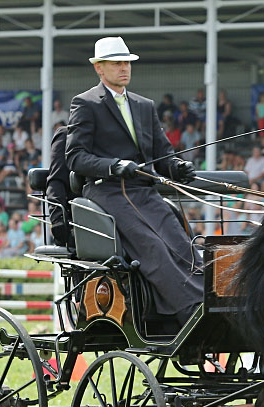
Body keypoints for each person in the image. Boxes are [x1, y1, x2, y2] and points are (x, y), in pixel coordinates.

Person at [66, 36, 200, 323]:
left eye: (126, 62)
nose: (124, 68)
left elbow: (163, 155)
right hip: (108, 193)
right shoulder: (86, 103)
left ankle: (204, 304)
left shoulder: (144, 105)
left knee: (180, 244)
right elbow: (75, 158)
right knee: (152, 247)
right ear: (99, 68)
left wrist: (178, 167)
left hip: (144, 192)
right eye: (116, 63)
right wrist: (113, 166)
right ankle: (188, 311)